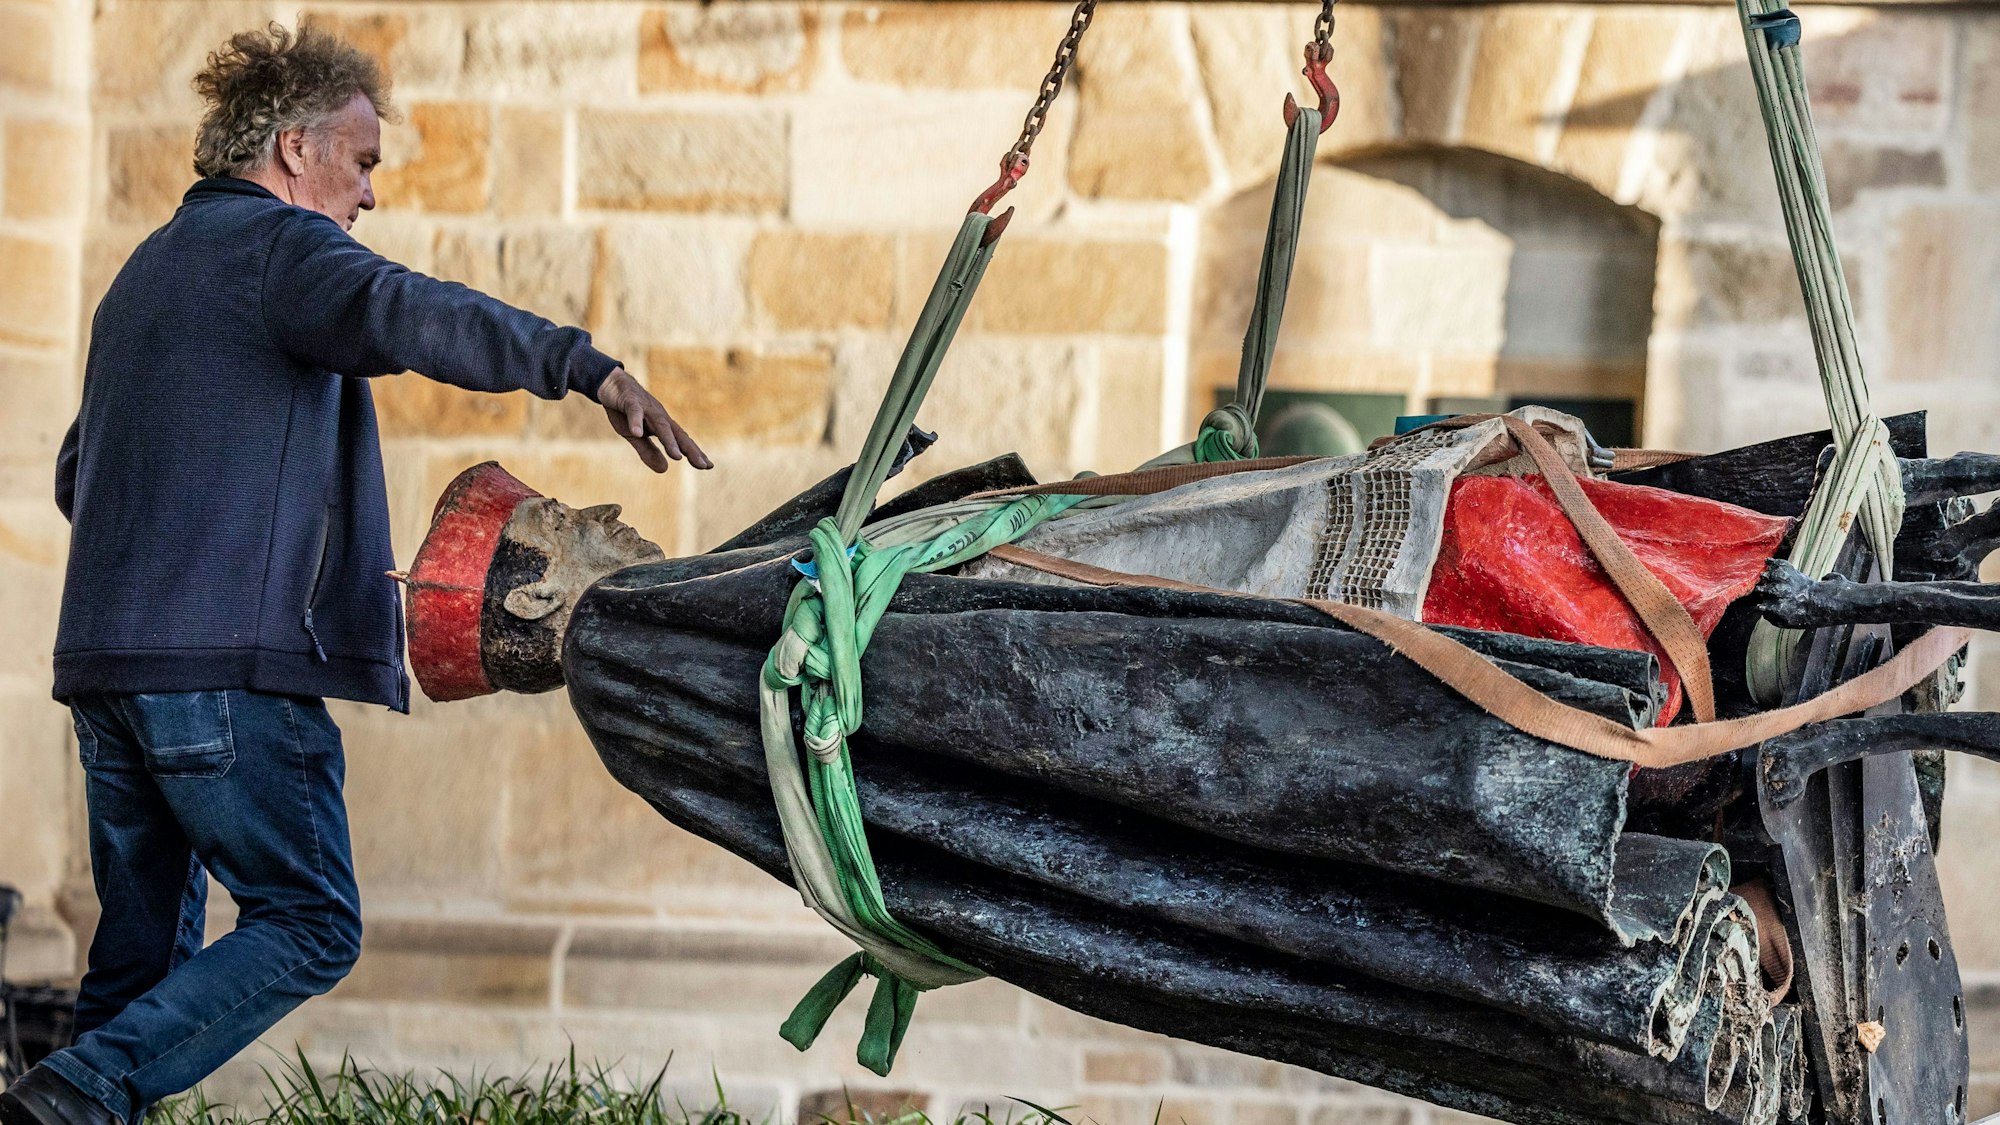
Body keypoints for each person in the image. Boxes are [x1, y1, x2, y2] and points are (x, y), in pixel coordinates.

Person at [0, 21, 709, 1125]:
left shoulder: (141, 278)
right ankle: (79, 1084)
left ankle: (72, 1090)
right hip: (225, 681)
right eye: (362, 160)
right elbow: (413, 311)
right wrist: (585, 366)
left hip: (106, 678)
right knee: (311, 921)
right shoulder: (282, 252)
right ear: (292, 148)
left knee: (134, 972)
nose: (369, 195)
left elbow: (75, 476)